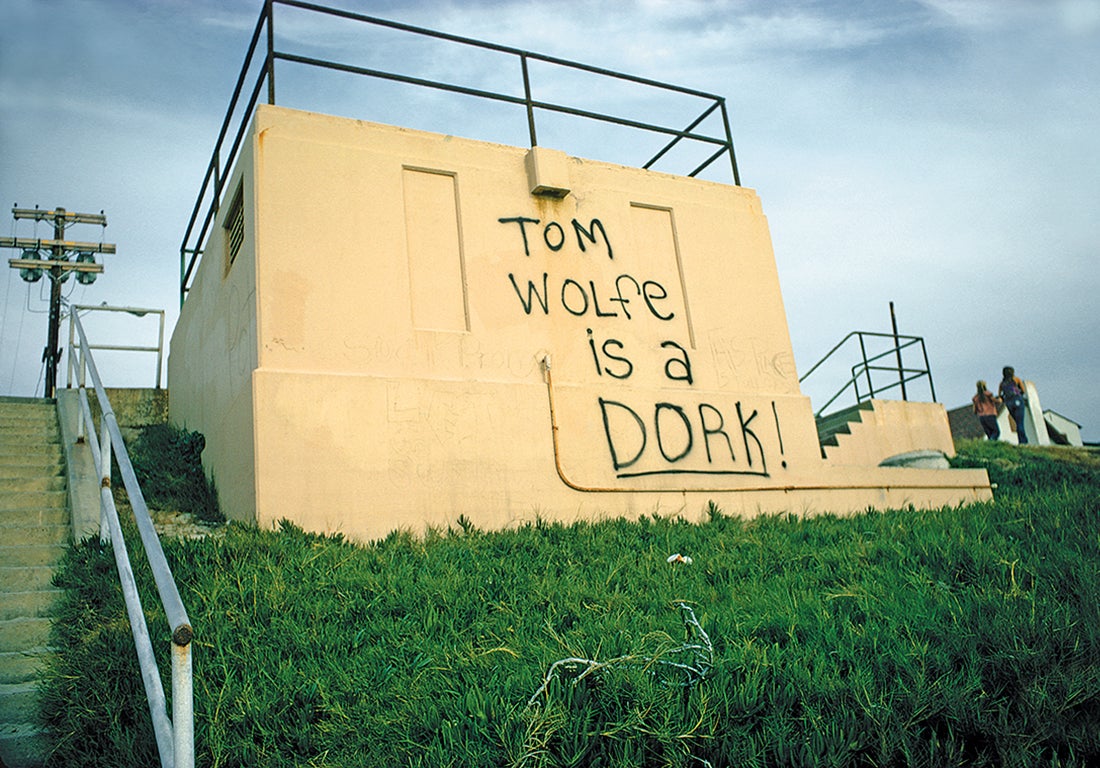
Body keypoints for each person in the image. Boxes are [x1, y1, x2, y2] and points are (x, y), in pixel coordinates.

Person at [998, 366, 1028, 444]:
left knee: (1017, 422)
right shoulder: (1016, 379)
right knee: (1020, 423)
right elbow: (1023, 390)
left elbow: (1000, 395)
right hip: (1017, 400)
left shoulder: (1001, 384)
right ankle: (1023, 441)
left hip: (1009, 403)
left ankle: (1022, 440)